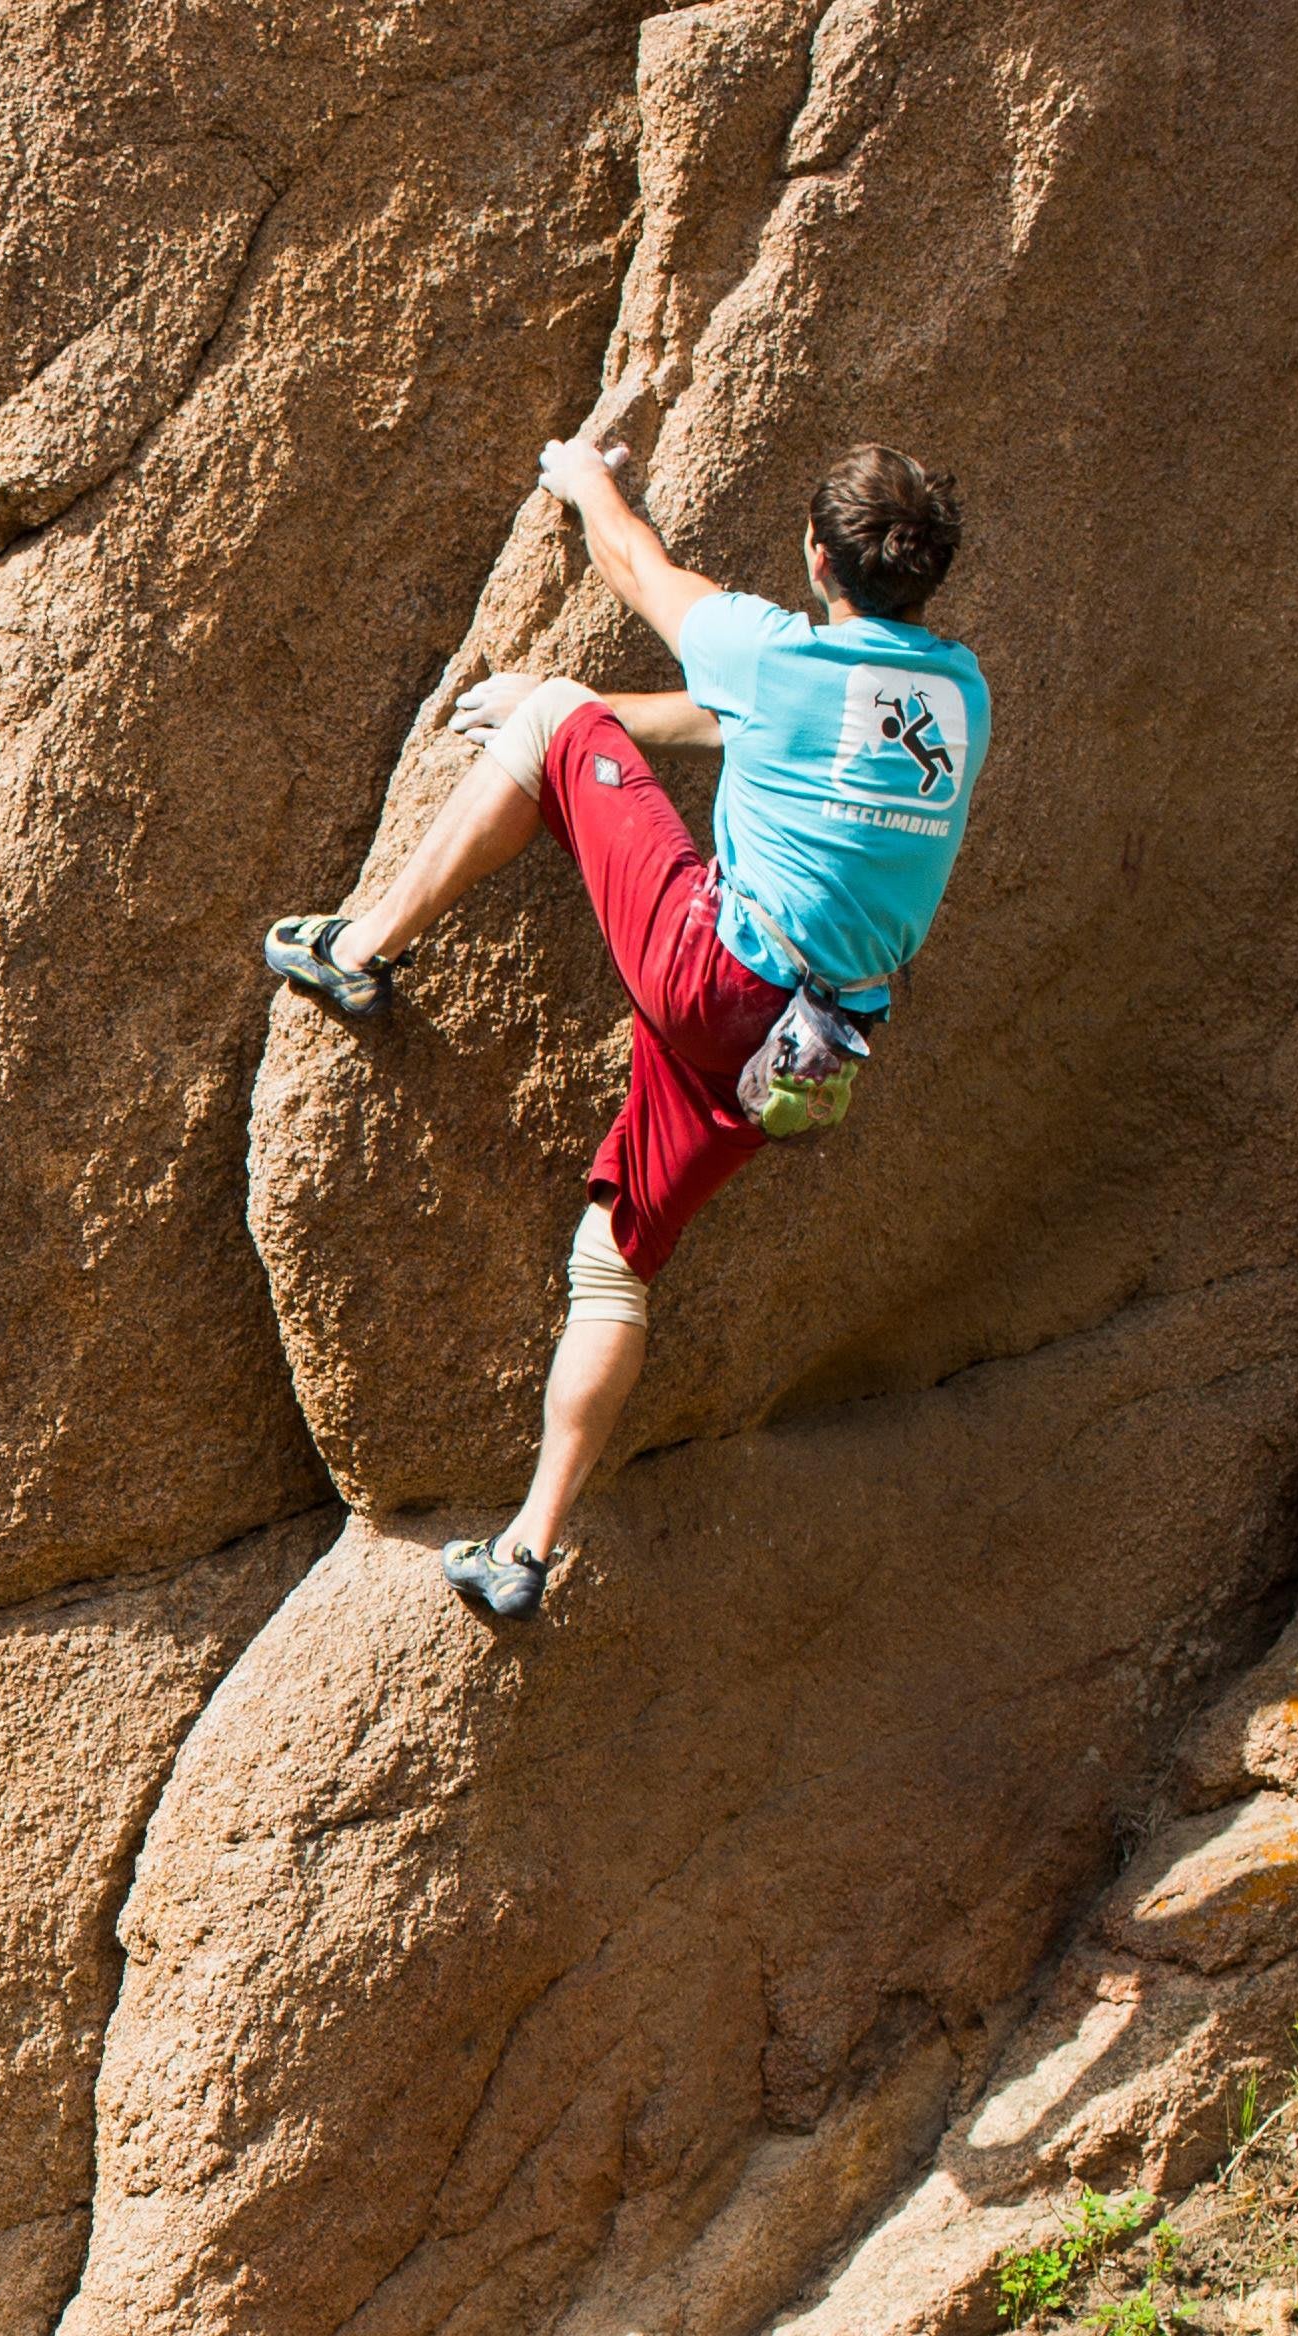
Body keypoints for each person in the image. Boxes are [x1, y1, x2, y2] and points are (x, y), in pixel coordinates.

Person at [262, 435, 989, 1623]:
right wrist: (607, 717)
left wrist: (582, 478)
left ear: (819, 556)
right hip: (796, 1056)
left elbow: (637, 568)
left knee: (547, 713)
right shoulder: (961, 696)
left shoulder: (779, 656)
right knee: (615, 1259)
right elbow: (729, 726)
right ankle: (527, 1549)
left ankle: (357, 952)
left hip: (713, 975)